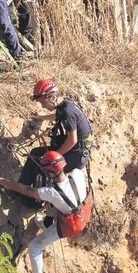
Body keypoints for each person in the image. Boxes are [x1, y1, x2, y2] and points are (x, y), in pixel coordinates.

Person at [0, 151, 89, 273]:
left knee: (35, 247)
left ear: (50, 173)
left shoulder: (51, 192)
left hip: (69, 225)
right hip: (82, 214)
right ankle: (47, 221)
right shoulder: (77, 174)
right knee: (56, 207)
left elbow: (22, 189)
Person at [18, 79, 93, 209]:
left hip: (76, 155)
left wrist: (53, 158)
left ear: (52, 97)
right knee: (35, 153)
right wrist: (41, 117)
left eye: (43, 102)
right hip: (74, 149)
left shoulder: (67, 111)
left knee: (43, 167)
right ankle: (20, 188)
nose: (42, 106)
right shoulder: (64, 105)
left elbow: (72, 140)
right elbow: (56, 116)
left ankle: (36, 202)